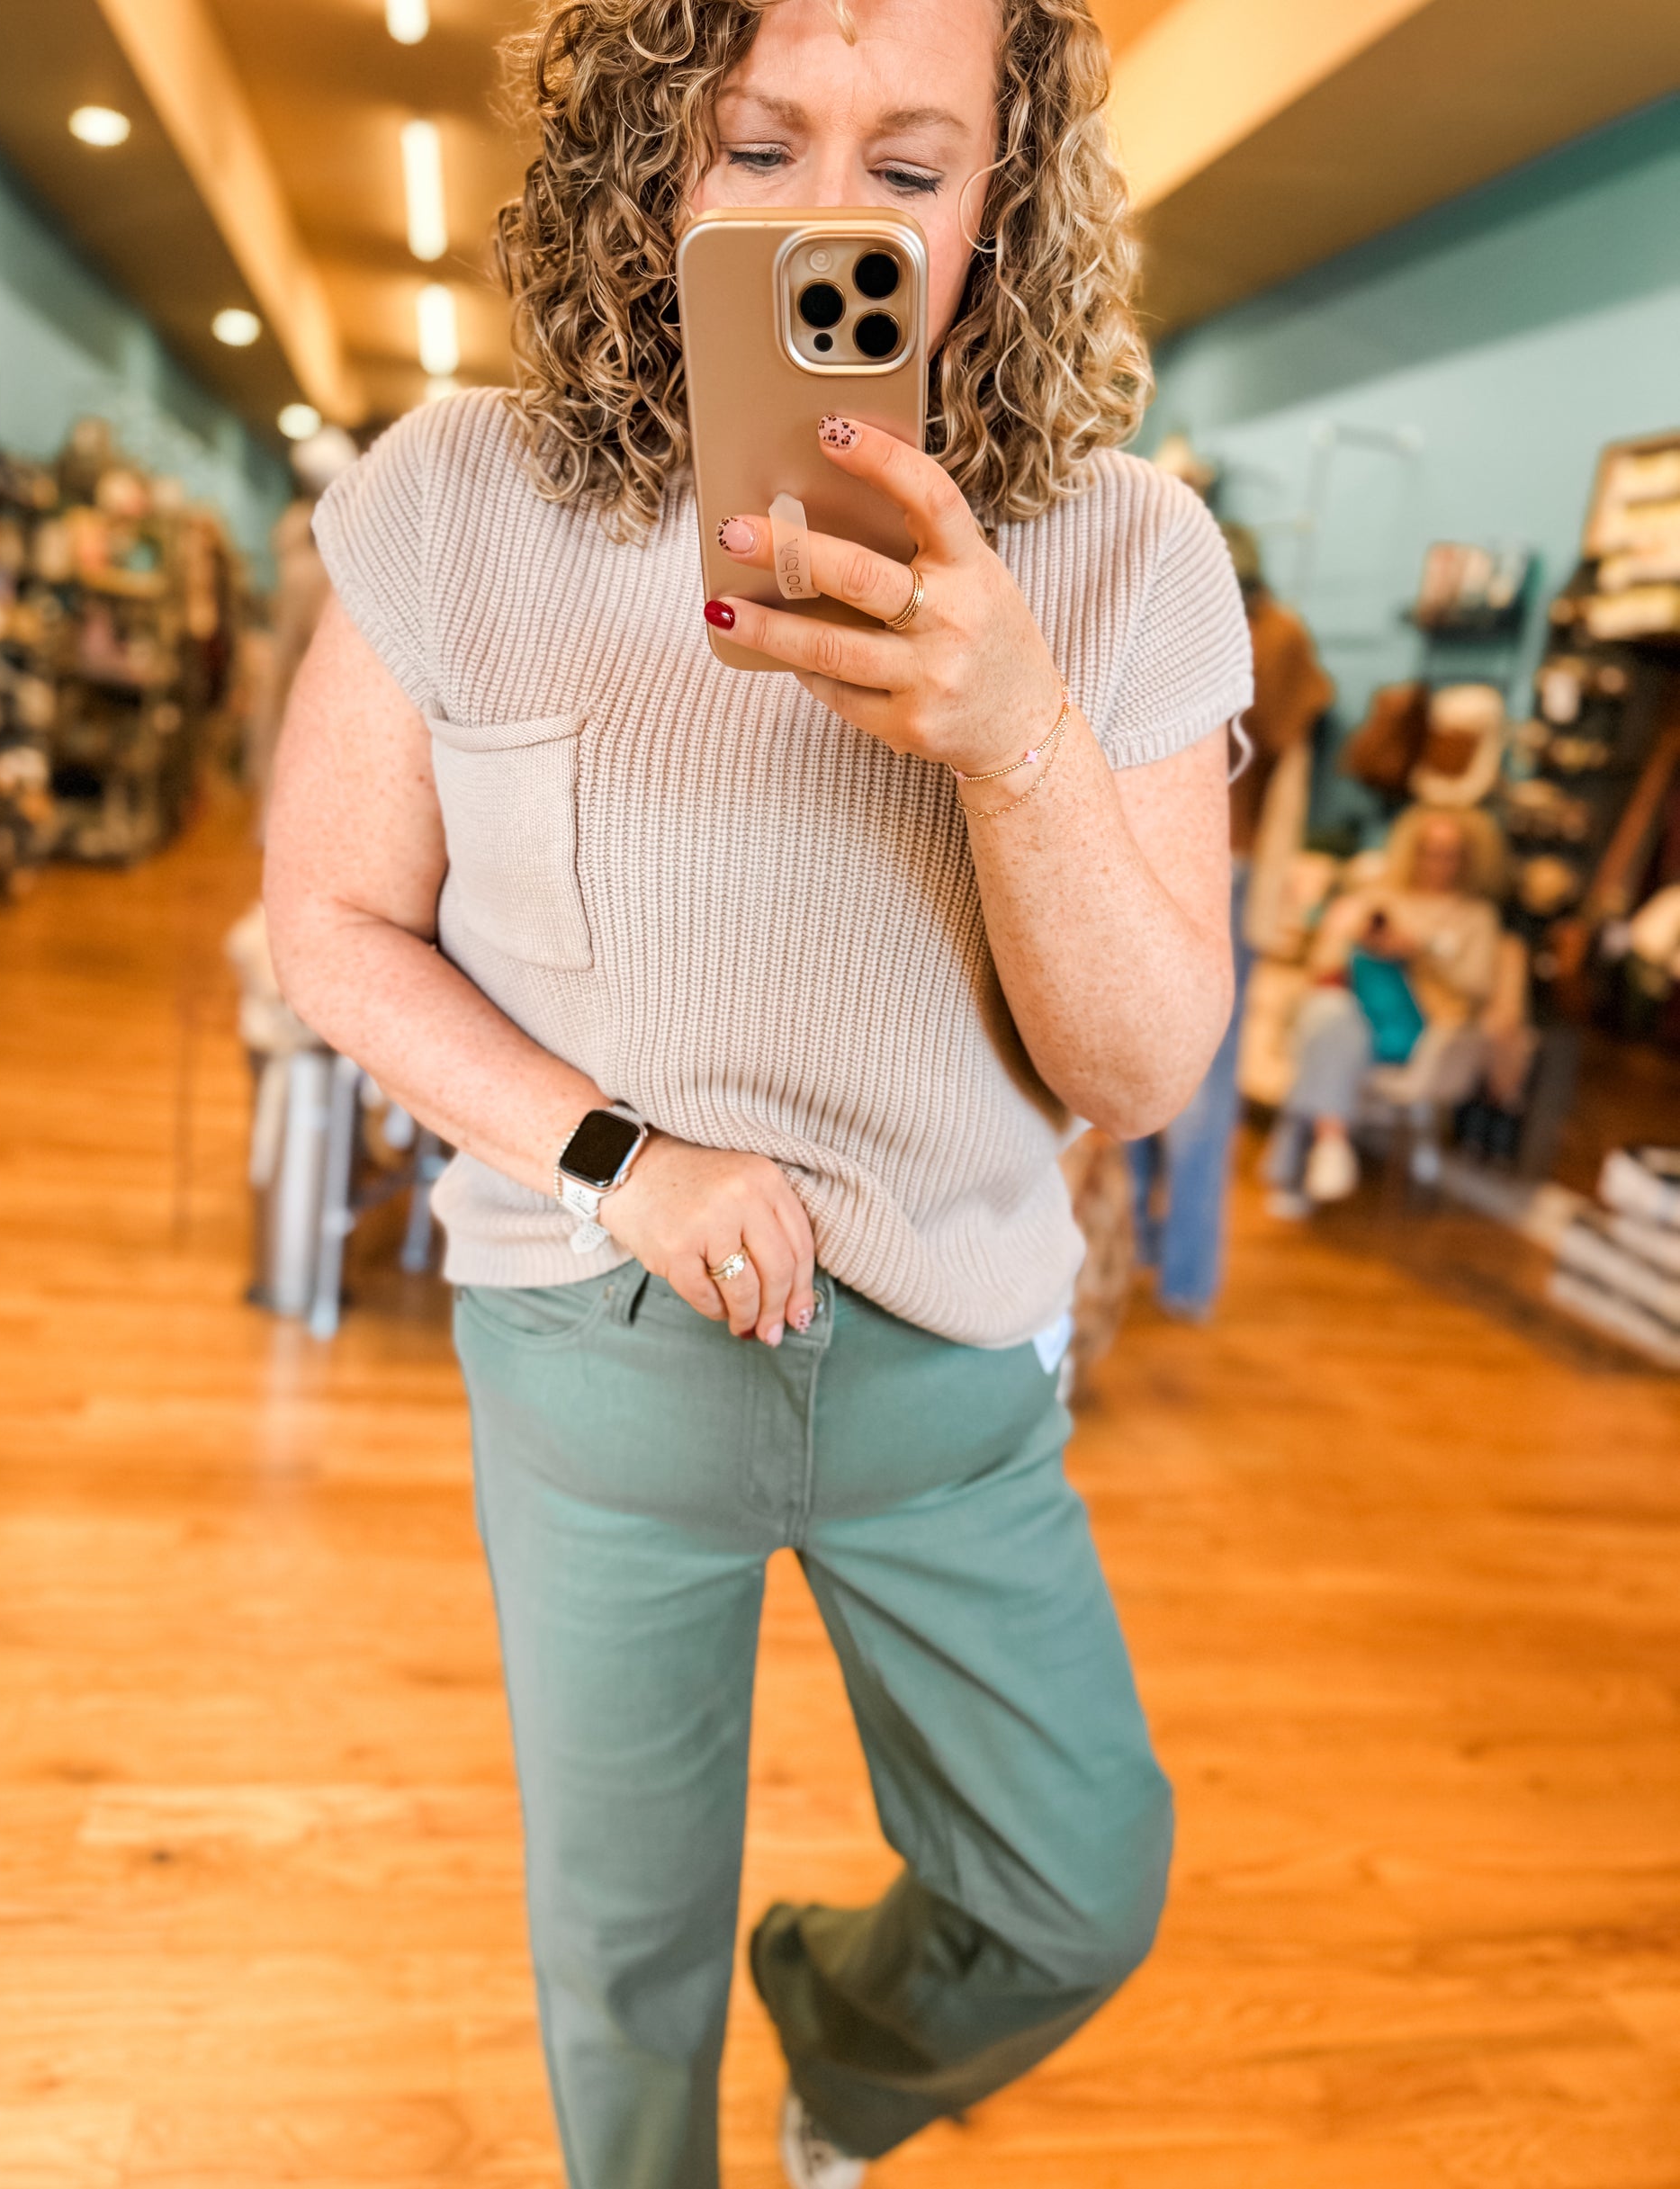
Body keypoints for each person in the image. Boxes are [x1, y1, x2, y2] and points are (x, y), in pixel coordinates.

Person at [262, 1, 1251, 2182]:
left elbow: (1146, 1060)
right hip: (595, 1353)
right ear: (645, 157)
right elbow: (333, 921)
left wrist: (1015, 736)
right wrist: (618, 1151)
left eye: (910, 168)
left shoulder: (1124, 555)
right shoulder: (459, 492)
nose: (830, 222)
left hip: (957, 1377)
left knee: (1076, 1883)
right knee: (623, 1972)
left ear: (1004, 198)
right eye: (752, 144)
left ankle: (841, 2032)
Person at [1127, 520, 1331, 1317]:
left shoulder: (1274, 637)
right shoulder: (1196, 616)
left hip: (1225, 863)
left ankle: (1185, 1272)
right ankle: (1149, 1255)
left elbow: (1280, 744)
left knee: (1200, 1078)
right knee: (1140, 1060)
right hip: (1168, 852)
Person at [1263, 804, 1507, 1213]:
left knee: (1324, 1030)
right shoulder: (1375, 898)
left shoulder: (1476, 917)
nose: (1437, 863)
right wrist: (1353, 936)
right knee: (1329, 1015)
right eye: (1429, 850)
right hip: (1354, 1014)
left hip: (1417, 1029)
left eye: (1449, 853)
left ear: (1467, 859)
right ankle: (1331, 1141)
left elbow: (1479, 986)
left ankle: (1297, 1168)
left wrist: (1419, 952)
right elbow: (1323, 965)